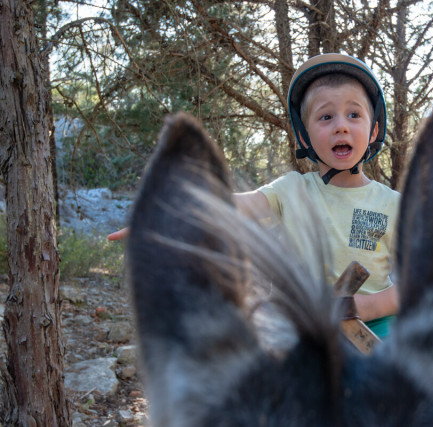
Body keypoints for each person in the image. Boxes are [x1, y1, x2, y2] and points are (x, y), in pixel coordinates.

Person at [109, 53, 400, 338]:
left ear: (374, 130)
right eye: (325, 116)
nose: (341, 125)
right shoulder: (291, 190)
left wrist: (366, 306)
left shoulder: (394, 205)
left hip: (371, 334)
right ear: (303, 137)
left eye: (354, 114)